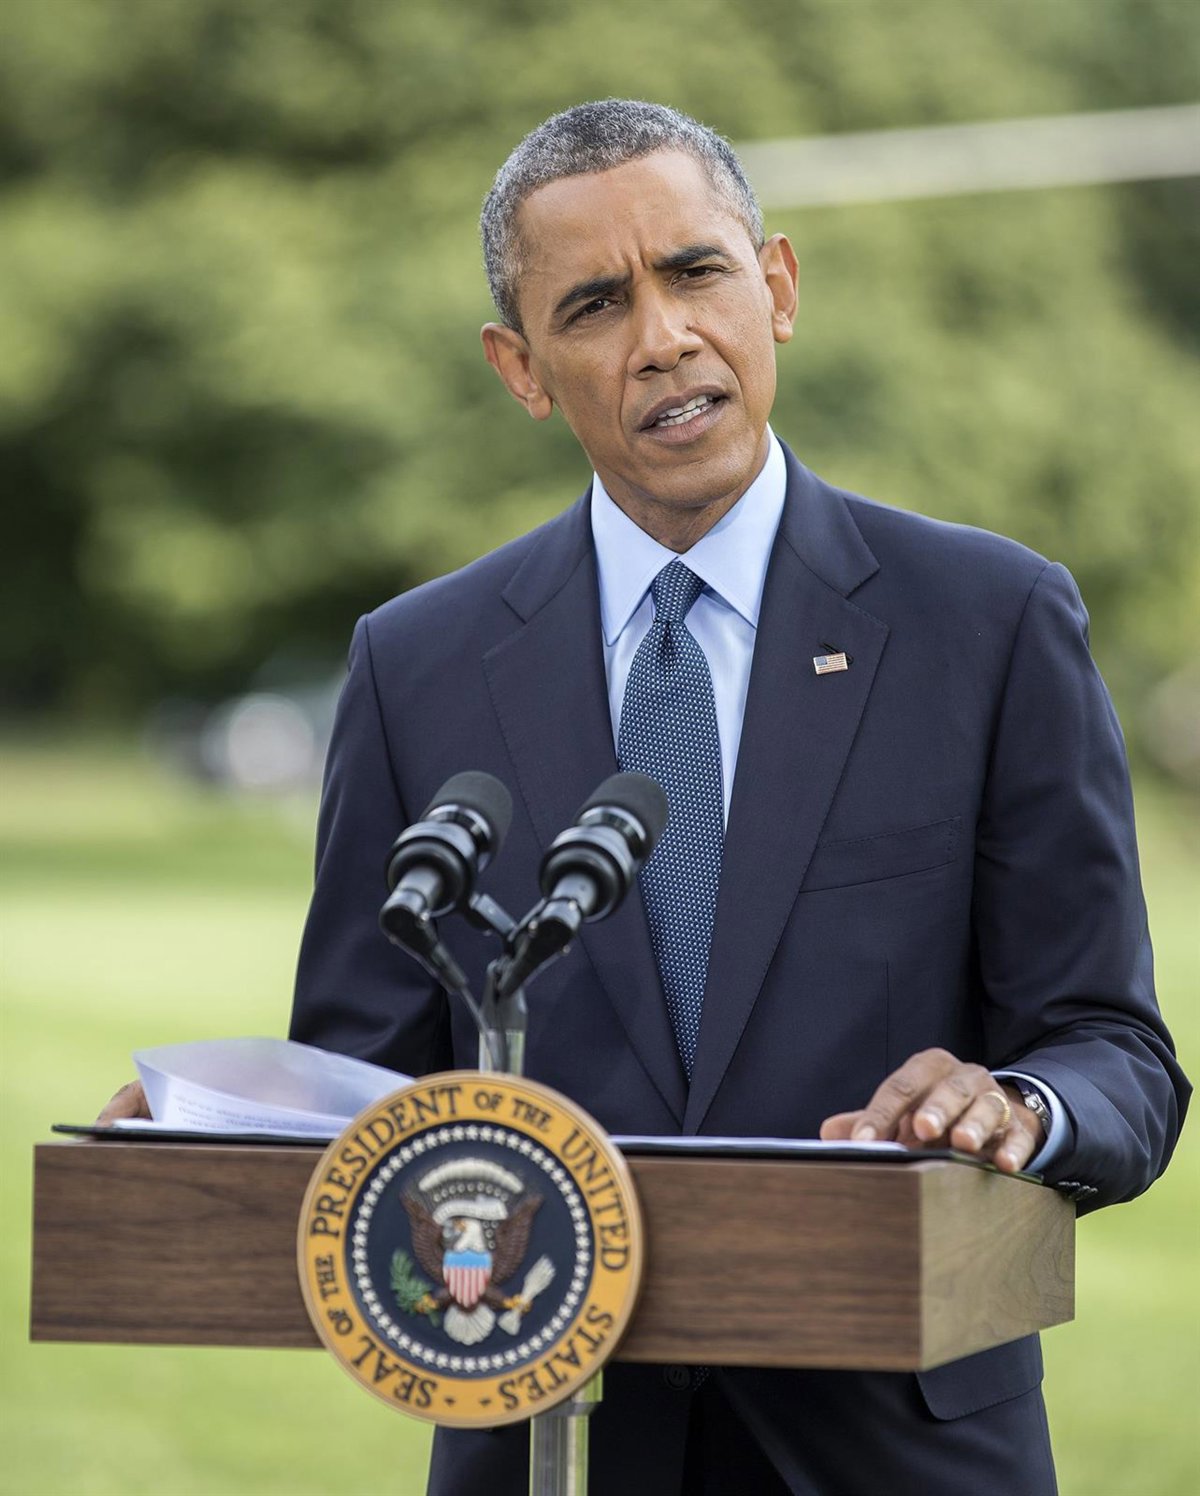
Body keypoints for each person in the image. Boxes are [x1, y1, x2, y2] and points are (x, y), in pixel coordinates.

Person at [104, 101, 1189, 1493]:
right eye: (596, 304)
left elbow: (1116, 1053)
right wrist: (225, 1127)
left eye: (695, 272)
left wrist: (1018, 1108)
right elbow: (368, 1087)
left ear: (776, 287)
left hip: (901, 1452)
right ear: (521, 367)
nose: (664, 336)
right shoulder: (415, 665)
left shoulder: (991, 620)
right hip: (549, 1444)